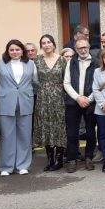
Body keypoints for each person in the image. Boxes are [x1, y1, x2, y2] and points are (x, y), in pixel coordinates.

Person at [0, 39, 37, 176]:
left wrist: (27, 95)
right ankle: (6, 167)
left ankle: (22, 165)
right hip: (5, 103)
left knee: (24, 135)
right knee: (7, 136)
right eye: (11, 50)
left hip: (25, 103)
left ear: (22, 51)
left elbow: (35, 83)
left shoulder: (30, 64)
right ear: (7, 51)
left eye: (17, 49)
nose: (15, 52)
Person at [33, 34, 67, 171]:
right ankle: (50, 158)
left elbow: (67, 79)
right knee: (46, 126)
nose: (46, 45)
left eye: (49, 42)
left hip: (59, 97)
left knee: (59, 126)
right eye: (44, 43)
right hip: (43, 97)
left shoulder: (63, 60)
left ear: (53, 44)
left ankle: (59, 159)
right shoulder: (36, 61)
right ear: (41, 46)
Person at [63, 38, 98, 173]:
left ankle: (89, 157)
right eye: (80, 48)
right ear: (76, 49)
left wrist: (88, 99)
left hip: (90, 102)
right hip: (73, 102)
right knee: (72, 132)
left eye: (85, 47)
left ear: (89, 47)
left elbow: (98, 84)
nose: (83, 50)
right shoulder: (71, 62)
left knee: (90, 132)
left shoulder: (96, 63)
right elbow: (66, 83)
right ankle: (72, 159)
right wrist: (78, 98)